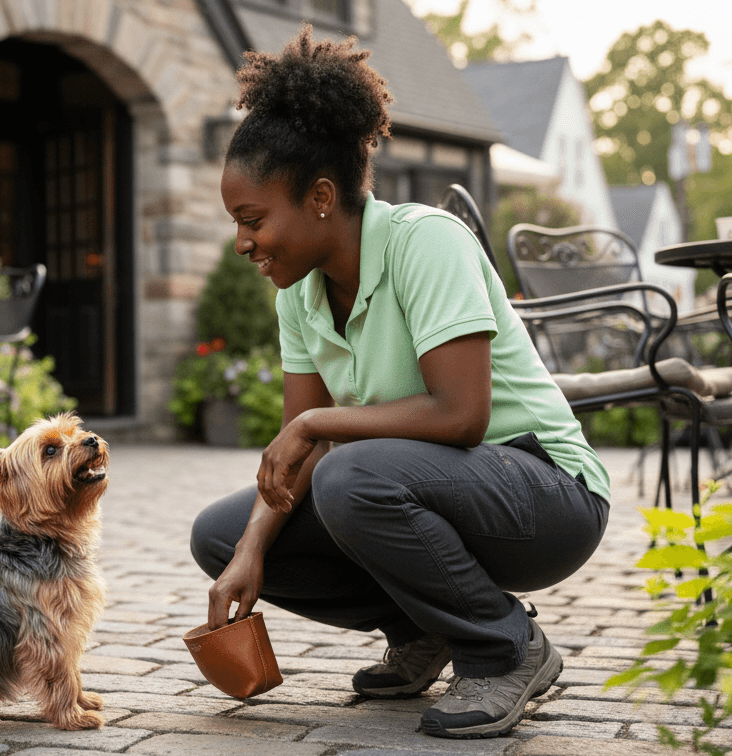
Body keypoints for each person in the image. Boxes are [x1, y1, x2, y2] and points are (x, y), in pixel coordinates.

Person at [188, 25, 611, 740]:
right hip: (432, 489)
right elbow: (296, 458)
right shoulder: (300, 291)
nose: (242, 243)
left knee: (352, 477)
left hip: (547, 494)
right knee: (221, 536)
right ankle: (424, 629)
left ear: (321, 196)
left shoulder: (426, 241)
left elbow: (462, 415)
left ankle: (508, 648)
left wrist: (317, 427)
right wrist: (253, 548)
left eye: (253, 219)